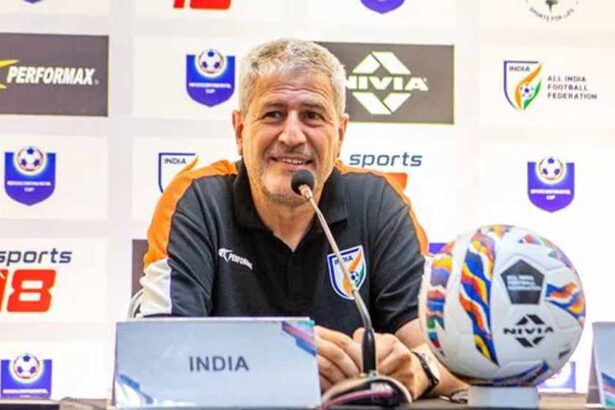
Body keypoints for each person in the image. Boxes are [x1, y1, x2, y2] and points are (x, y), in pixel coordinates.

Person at [139, 38, 465, 399]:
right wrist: (284, 356)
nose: (292, 136)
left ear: (340, 134)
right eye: (273, 114)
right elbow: (156, 355)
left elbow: (452, 356)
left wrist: (419, 368)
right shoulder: (196, 201)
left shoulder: (378, 203)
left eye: (312, 115)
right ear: (240, 130)